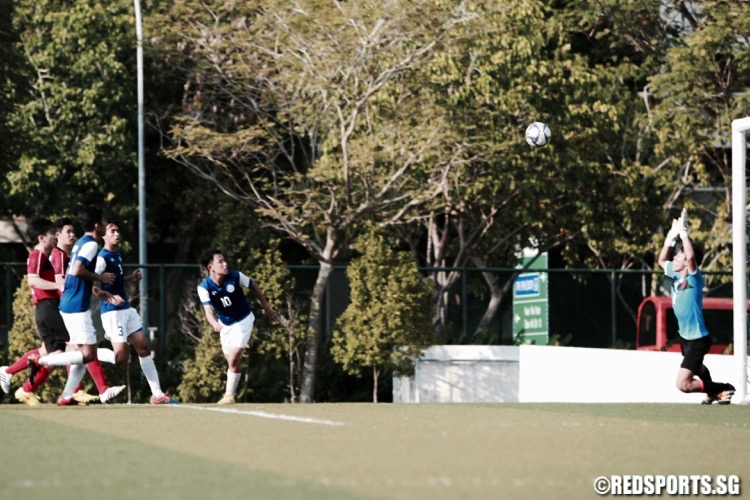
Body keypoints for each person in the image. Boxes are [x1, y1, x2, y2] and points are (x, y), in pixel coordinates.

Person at [33, 205, 126, 405]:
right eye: (103, 222)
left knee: (83, 356)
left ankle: (66, 396)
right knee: (88, 354)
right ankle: (42, 360)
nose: (104, 225)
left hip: (73, 303)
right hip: (75, 306)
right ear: (96, 225)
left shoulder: (83, 242)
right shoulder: (91, 244)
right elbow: (76, 270)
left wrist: (99, 289)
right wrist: (99, 277)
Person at [657, 209, 735, 404]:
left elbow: (691, 258)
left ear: (687, 262)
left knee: (683, 384)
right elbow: (660, 260)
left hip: (698, 339)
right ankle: (714, 393)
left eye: (678, 256)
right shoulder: (676, 275)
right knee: (699, 368)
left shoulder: (694, 278)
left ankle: (723, 388)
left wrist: (684, 234)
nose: (674, 258)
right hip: (686, 338)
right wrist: (670, 237)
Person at [94, 220, 173, 404]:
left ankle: (158, 395)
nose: (116, 234)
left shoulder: (117, 256)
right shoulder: (101, 258)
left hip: (126, 309)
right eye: (112, 231)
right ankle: (88, 352)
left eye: (118, 231)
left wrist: (130, 278)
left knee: (144, 347)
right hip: (112, 311)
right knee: (120, 356)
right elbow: (90, 283)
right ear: (104, 235)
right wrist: (105, 295)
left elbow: (115, 280)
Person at [197, 249, 278, 405]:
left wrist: (266, 307)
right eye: (220, 261)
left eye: (225, 260)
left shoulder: (235, 276)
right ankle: (245, 344)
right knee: (231, 361)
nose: (225, 264)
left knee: (234, 357)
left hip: (244, 320)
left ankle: (229, 396)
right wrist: (214, 324)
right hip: (225, 325)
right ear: (210, 267)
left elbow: (254, 285)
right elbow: (208, 310)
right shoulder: (204, 287)